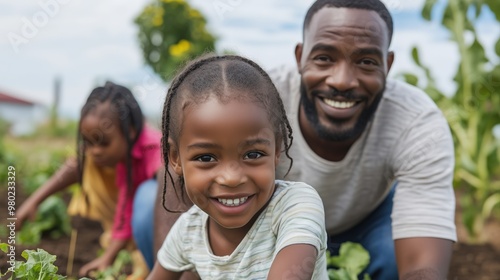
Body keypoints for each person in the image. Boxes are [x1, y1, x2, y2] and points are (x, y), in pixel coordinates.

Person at [150, 1, 457, 279]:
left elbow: (422, 267)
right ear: (300, 56)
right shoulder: (250, 98)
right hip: (250, 223)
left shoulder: (417, 123)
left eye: (366, 62)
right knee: (144, 216)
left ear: (387, 65)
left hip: (363, 221)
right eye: (324, 58)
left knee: (390, 258)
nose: (342, 81)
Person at [147, 55, 328, 279]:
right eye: (206, 158)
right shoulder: (188, 231)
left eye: (253, 154)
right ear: (175, 158)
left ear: (277, 149)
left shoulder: (296, 207)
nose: (231, 178)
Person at [15, 82, 162, 277]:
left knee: (148, 197)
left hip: (162, 226)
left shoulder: (155, 152)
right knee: (89, 162)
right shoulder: (114, 148)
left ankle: (147, 257)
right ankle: (128, 243)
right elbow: (77, 167)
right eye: (89, 142)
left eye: (103, 143)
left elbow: (168, 205)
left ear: (132, 131)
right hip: (131, 220)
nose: (95, 151)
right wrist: (34, 200)